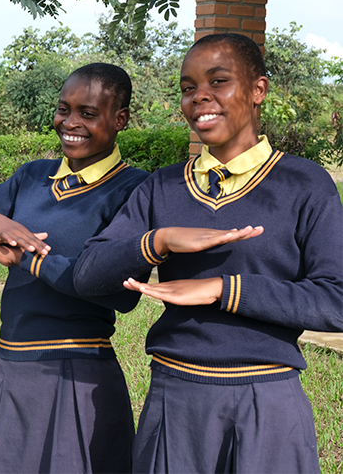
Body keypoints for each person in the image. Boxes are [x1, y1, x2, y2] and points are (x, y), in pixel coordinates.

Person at [73, 33, 343, 474]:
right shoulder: (162, 187)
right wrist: (158, 241)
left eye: (218, 81)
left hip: (267, 400)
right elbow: (88, 276)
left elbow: (336, 300)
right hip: (174, 399)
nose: (199, 97)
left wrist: (224, 288)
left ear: (258, 90)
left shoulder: (305, 185)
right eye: (187, 88)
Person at [0, 63, 149, 474]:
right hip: (8, 365)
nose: (70, 123)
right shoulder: (32, 177)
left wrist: (28, 260)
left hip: (78, 374)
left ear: (120, 119)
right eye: (63, 109)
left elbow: (120, 292)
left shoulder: (134, 189)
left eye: (88, 113)